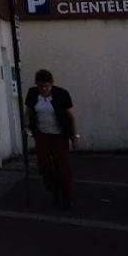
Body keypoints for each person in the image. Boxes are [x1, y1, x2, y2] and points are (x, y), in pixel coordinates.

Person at [25, 68, 78, 208]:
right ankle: (55, 189)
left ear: (52, 84)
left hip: (59, 136)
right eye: (41, 86)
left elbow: (71, 116)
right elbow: (28, 111)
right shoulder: (32, 94)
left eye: (47, 86)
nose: (44, 89)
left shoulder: (61, 94)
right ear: (37, 85)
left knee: (63, 167)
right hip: (42, 135)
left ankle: (67, 198)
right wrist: (27, 126)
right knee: (43, 165)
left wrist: (74, 136)